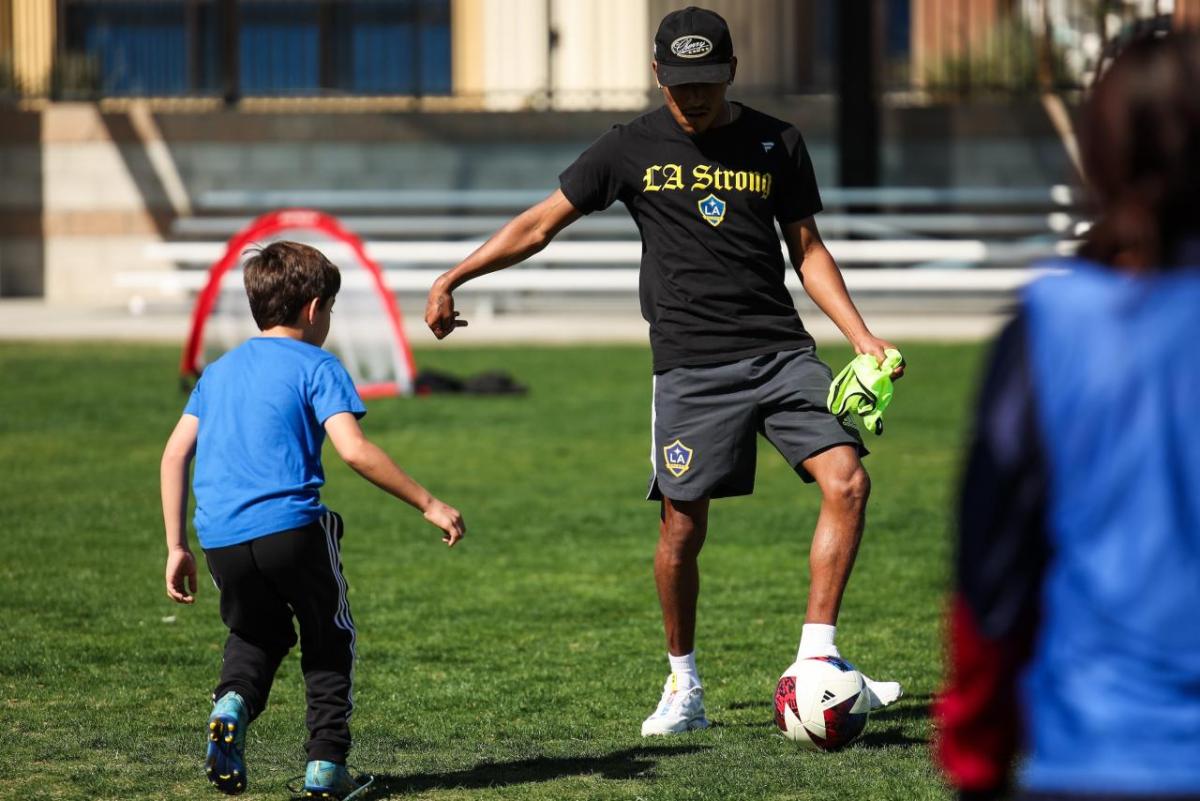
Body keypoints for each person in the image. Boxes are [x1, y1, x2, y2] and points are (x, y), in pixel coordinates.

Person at [424, 6, 903, 736]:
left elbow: (807, 250)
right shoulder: (629, 147)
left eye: (707, 81)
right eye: (681, 84)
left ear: (732, 71)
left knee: (850, 480)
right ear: (658, 75)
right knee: (682, 529)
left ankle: (816, 659)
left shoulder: (777, 141)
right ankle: (684, 682)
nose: (695, 96)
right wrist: (454, 275)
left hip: (781, 352)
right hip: (690, 368)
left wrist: (860, 335)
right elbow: (539, 223)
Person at [936, 32, 1200, 801]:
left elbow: (991, 569)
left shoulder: (1052, 326)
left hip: (1100, 750)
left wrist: (978, 754)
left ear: (1100, 150)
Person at [161, 241, 466, 798]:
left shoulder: (218, 372)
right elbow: (353, 450)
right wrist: (428, 502)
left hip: (221, 537)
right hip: (293, 529)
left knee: (256, 631)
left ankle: (232, 702)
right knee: (329, 634)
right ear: (313, 308)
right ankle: (326, 765)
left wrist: (175, 545)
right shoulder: (318, 364)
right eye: (330, 311)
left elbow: (175, 453)